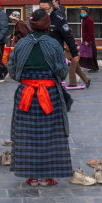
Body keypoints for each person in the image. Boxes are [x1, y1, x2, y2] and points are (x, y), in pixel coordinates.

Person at [8, 9, 75, 187]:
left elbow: (13, 70)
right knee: (50, 135)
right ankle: (47, 176)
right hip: (49, 94)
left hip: (26, 94)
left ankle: (31, 176)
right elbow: (62, 72)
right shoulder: (54, 44)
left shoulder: (21, 45)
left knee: (27, 134)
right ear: (47, 25)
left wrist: (26, 81)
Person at [39, 0, 88, 89]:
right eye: (41, 9)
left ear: (51, 8)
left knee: (54, 76)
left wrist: (74, 53)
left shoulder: (59, 19)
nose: (43, 11)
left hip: (55, 52)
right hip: (41, 52)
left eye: (45, 9)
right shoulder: (38, 17)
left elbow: (68, 37)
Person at [78, 6, 99, 73]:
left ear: (87, 12)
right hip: (86, 40)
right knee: (86, 54)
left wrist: (87, 40)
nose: (82, 13)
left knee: (91, 54)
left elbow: (90, 31)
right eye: (81, 12)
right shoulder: (84, 19)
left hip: (89, 40)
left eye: (83, 12)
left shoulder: (89, 20)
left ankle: (94, 68)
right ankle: (93, 67)